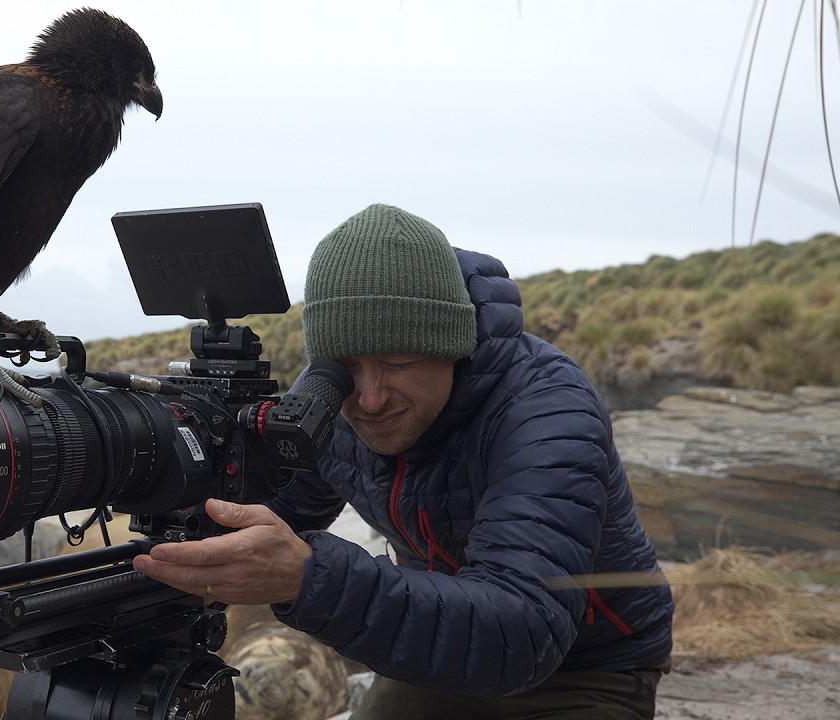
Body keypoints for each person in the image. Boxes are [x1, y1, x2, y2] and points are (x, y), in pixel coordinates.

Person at [133, 203, 675, 718]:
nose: (369, 399)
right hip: (438, 641)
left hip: (586, 664)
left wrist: (307, 579)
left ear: (452, 347)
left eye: (398, 362)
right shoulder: (330, 402)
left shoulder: (546, 409)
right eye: (346, 367)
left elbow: (525, 633)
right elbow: (277, 515)